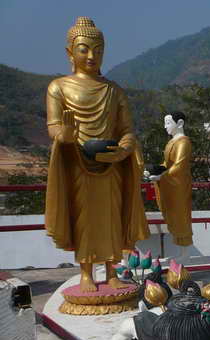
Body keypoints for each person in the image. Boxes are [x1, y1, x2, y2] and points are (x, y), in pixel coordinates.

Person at [45, 17, 148, 292]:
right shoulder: (58, 87)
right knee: (84, 219)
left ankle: (113, 270)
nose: (92, 56)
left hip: (111, 164)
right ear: (70, 52)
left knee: (111, 218)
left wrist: (123, 149)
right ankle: (86, 272)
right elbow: (54, 127)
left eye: (98, 50)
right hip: (79, 163)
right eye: (84, 49)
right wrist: (64, 135)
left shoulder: (113, 90)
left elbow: (127, 130)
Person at [147, 112, 193, 259]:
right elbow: (167, 164)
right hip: (170, 184)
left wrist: (162, 176)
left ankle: (185, 253)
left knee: (181, 217)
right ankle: (181, 251)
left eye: (168, 123)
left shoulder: (183, 142)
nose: (165, 126)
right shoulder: (171, 142)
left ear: (179, 123)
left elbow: (179, 165)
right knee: (173, 216)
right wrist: (156, 170)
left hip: (178, 185)